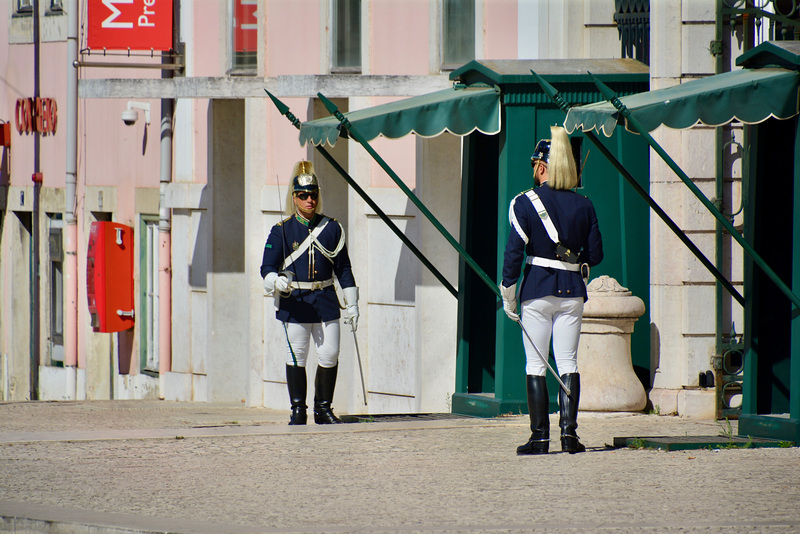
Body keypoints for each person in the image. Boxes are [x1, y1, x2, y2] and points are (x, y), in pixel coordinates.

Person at [499, 125, 603, 455]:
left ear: (542, 167)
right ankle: (569, 436)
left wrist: (507, 292)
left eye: (535, 166)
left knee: (536, 365)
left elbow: (514, 253)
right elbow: (596, 255)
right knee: (568, 363)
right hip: (572, 291)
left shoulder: (523, 203)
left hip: (537, 291)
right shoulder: (584, 205)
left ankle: (540, 438)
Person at [261, 160, 359, 425]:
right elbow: (267, 267)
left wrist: (352, 303)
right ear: (294, 198)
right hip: (296, 301)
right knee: (297, 356)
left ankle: (323, 408)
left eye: (313, 195)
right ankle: (298, 409)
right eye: (303, 196)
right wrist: (275, 280)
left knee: (329, 354)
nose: (309, 200)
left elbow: (343, 268)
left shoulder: (332, 228)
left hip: (326, 299)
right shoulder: (281, 231)